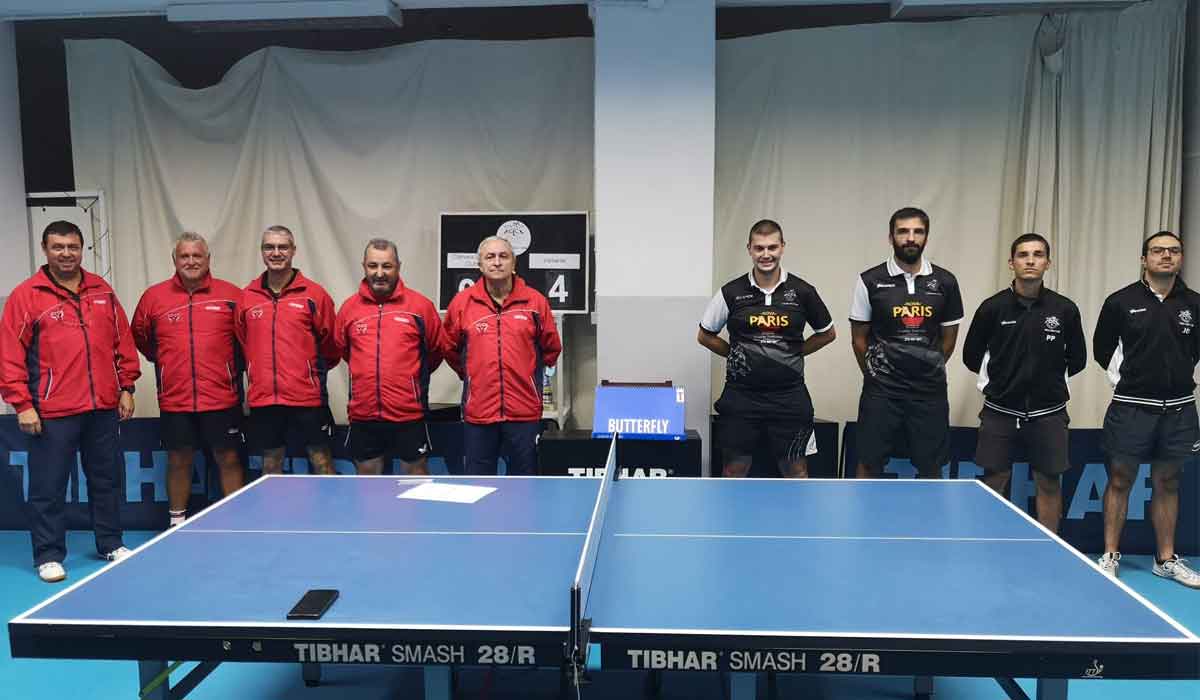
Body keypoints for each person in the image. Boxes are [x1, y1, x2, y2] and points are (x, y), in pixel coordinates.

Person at [0, 220, 140, 582]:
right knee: (48, 487)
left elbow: (122, 340)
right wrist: (22, 404)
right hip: (52, 411)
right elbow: (10, 355)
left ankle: (110, 543)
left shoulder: (102, 290)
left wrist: (126, 387)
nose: (66, 254)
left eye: (73, 247)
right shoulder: (26, 296)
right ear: (45, 250)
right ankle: (48, 555)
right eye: (58, 247)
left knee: (106, 480)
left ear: (82, 249)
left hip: (102, 408)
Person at [1092, 231, 1200, 587]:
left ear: (1181, 258)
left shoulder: (1194, 304)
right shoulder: (1120, 302)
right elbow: (1102, 350)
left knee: (1168, 481)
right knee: (1120, 479)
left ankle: (1165, 560)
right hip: (1131, 409)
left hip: (1179, 410)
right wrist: (1134, 383)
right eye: (1157, 251)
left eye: (1173, 251)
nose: (1166, 256)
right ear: (1144, 259)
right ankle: (1110, 555)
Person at [962, 233, 1086, 532]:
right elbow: (971, 356)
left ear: (1048, 263)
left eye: (1038, 255)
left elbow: (1078, 359)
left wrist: (1048, 384)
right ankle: (987, 544)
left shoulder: (1064, 309)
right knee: (994, 479)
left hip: (1049, 413)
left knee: (1049, 481)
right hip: (1000, 411)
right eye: (1023, 255)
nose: (1030, 260)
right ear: (1011, 262)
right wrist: (1002, 384)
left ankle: (1049, 548)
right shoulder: (992, 308)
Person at [698, 219, 836, 477]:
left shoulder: (803, 292)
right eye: (759, 248)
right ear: (749, 249)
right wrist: (735, 354)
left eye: (772, 247)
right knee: (733, 470)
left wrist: (796, 352)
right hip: (741, 396)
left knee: (796, 470)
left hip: (789, 396)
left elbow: (827, 333)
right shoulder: (731, 292)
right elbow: (705, 335)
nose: (766, 254)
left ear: (782, 247)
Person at [131, 232, 245, 527]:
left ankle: (236, 523)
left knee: (228, 457)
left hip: (222, 397)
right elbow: (141, 338)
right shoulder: (154, 298)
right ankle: (177, 523)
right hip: (176, 397)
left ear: (208, 259)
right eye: (185, 256)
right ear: (175, 260)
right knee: (179, 458)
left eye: (197, 255)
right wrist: (169, 364)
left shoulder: (232, 295)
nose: (191, 261)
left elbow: (246, 341)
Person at [849, 207, 964, 478]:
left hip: (929, 392)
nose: (910, 238)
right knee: (868, 463)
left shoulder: (946, 281)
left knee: (931, 466)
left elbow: (949, 340)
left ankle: (929, 511)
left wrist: (925, 368)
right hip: (881, 393)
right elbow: (858, 339)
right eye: (903, 232)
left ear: (926, 237)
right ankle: (862, 510)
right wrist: (878, 375)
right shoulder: (869, 280)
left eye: (917, 232)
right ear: (891, 237)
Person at [442, 236, 561, 475]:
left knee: (525, 484)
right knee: (479, 484)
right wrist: (472, 377)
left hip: (524, 412)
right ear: (480, 264)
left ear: (513, 263)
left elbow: (551, 348)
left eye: (503, 256)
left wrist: (530, 380)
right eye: (490, 257)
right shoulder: (462, 304)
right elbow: (449, 347)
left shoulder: (535, 302)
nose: (497, 262)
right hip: (479, 413)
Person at [235, 225, 340, 475]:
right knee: (271, 464)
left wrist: (308, 374)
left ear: (293, 250)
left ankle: (332, 504)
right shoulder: (247, 297)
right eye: (269, 247)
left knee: (321, 461)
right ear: (262, 252)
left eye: (282, 247)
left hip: (307, 396)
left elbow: (331, 346)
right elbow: (243, 341)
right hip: (264, 398)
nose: (276, 253)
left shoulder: (315, 295)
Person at [335, 239, 443, 475]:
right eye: (373, 265)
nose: (379, 273)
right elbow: (344, 351)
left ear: (398, 266)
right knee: (368, 483)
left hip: (409, 413)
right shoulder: (349, 309)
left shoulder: (420, 307)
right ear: (364, 266)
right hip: (364, 413)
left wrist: (409, 382)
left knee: (416, 481)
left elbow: (435, 352)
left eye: (387, 266)